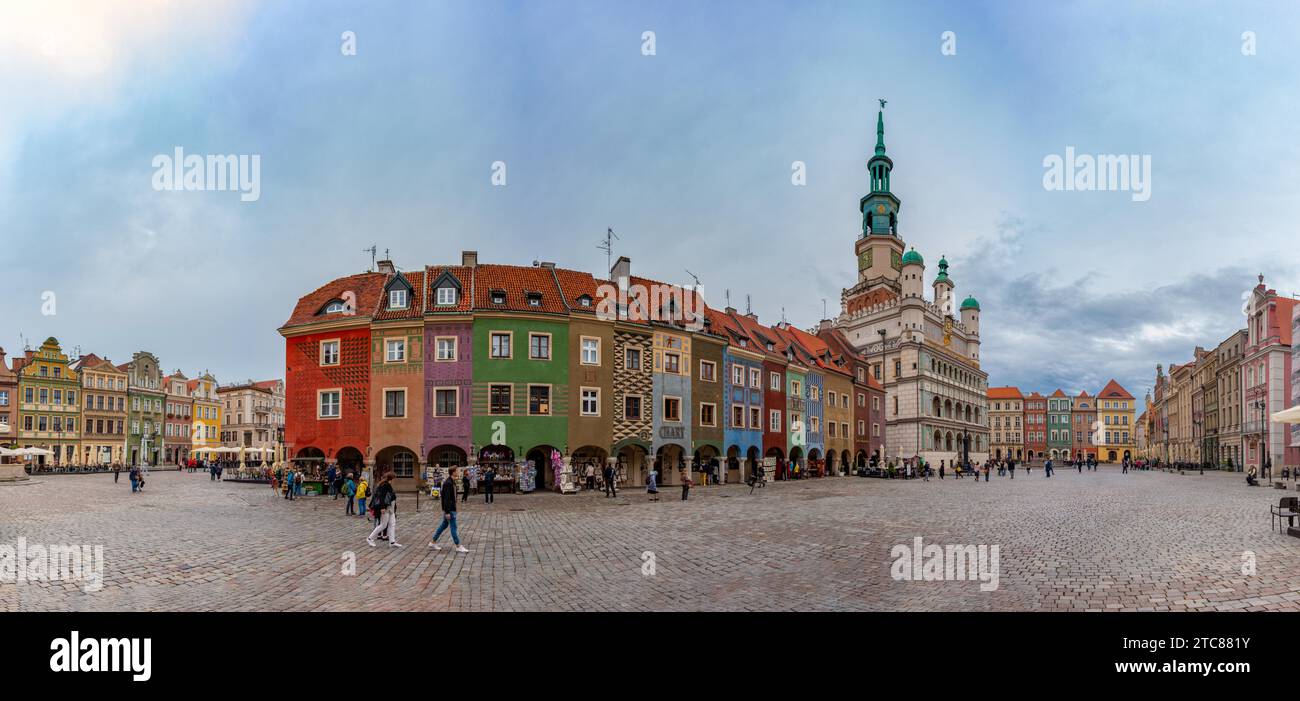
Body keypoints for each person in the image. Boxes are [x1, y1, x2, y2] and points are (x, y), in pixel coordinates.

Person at [429, 468, 469, 553]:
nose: (458, 472)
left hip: (451, 508)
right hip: (450, 509)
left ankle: (432, 542)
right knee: (453, 527)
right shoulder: (448, 483)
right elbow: (446, 499)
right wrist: (447, 512)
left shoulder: (452, 482)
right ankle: (458, 545)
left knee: (443, 525)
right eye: (457, 471)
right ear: (453, 472)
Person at [367, 473, 401, 547]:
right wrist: (382, 507)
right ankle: (370, 538)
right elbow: (381, 497)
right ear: (391, 478)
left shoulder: (388, 485)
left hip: (391, 508)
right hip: (386, 508)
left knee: (392, 524)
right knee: (383, 524)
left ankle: (392, 542)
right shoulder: (384, 485)